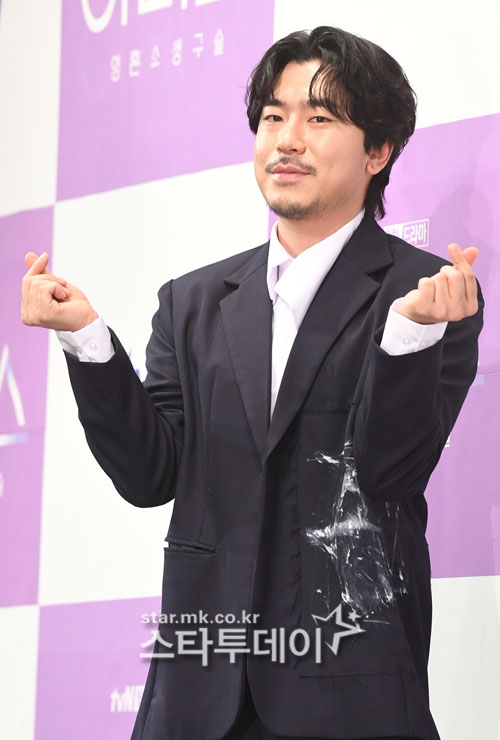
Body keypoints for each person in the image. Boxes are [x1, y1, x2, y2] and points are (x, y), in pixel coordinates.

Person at [21, 25, 483, 740]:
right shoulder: (192, 300)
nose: (287, 139)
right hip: (197, 697)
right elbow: (151, 475)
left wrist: (411, 336)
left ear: (378, 151)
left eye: (319, 117)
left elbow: (388, 473)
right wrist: (86, 340)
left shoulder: (426, 295)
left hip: (349, 696)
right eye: (273, 117)